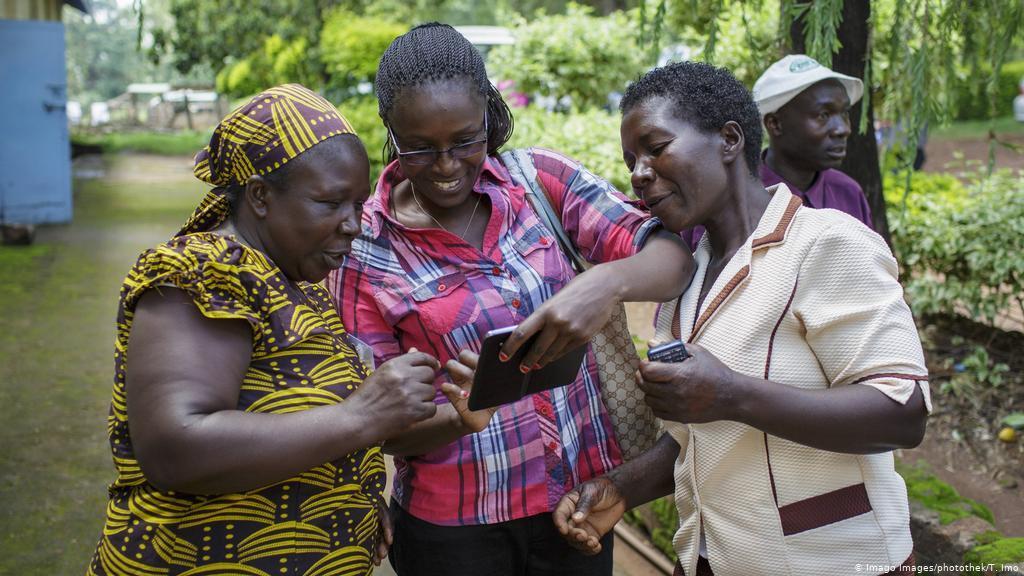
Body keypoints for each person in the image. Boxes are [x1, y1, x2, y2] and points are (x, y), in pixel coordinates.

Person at [326, 23, 692, 576]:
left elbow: (673, 260)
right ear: (390, 132)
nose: (448, 166)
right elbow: (373, 423)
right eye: (421, 148)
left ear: (489, 116)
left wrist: (602, 283)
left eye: (466, 140)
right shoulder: (366, 251)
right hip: (452, 534)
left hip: (577, 506)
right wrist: (459, 416)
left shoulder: (537, 182)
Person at [86, 84, 481, 576]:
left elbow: (300, 428)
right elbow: (175, 447)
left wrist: (348, 492)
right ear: (259, 196)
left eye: (358, 203)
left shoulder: (297, 283)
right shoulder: (206, 271)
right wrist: (361, 415)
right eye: (330, 202)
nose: (353, 224)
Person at [553, 62, 931, 576]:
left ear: (729, 139)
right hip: (715, 558)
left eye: (656, 148)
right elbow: (708, 434)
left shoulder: (825, 243)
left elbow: (903, 413)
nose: (639, 173)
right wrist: (623, 488)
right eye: (631, 160)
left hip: (832, 560)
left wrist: (732, 394)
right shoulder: (691, 273)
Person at [681, 54, 874, 249]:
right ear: (775, 124)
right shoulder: (727, 194)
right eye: (823, 115)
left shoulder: (848, 192)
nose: (843, 129)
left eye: (844, 114)